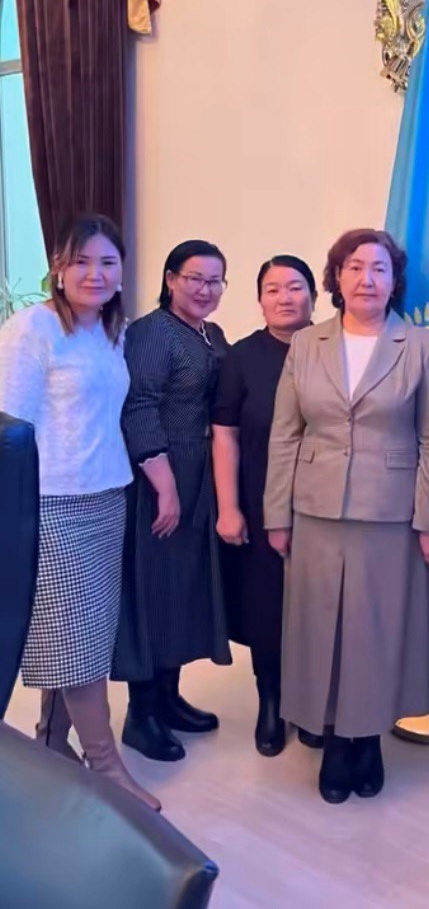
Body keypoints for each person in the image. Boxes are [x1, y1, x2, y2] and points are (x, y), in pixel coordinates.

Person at [263, 228, 429, 803]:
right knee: (321, 630)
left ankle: (367, 740)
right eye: (354, 267)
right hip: (314, 509)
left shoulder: (419, 346)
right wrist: (276, 514)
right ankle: (334, 744)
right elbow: (284, 434)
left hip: (389, 513)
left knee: (375, 632)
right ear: (336, 279)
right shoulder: (306, 344)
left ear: (394, 281)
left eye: (379, 269)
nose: (367, 279)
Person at [0, 213, 158, 809]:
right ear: (59, 269)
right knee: (76, 640)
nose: (96, 274)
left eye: (108, 262)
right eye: (82, 261)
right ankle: (107, 766)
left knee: (80, 634)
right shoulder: (32, 328)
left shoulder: (112, 332)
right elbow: (9, 430)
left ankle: (49, 742)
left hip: (107, 496)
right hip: (52, 502)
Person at [112, 240, 231, 762]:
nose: (205, 289)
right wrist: (164, 487)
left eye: (214, 281)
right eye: (194, 278)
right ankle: (141, 715)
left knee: (182, 589)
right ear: (170, 280)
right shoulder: (151, 333)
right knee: (153, 588)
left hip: (199, 473)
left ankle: (168, 697)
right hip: (159, 474)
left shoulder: (211, 333)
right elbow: (138, 408)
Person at [212, 254, 322, 756]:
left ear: (314, 296)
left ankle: (315, 705)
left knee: (320, 608)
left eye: (295, 287)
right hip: (260, 503)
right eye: (273, 289)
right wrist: (229, 507)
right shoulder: (242, 357)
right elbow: (225, 434)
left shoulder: (335, 347)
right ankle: (272, 701)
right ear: (259, 301)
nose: (285, 298)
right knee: (267, 609)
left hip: (326, 506)